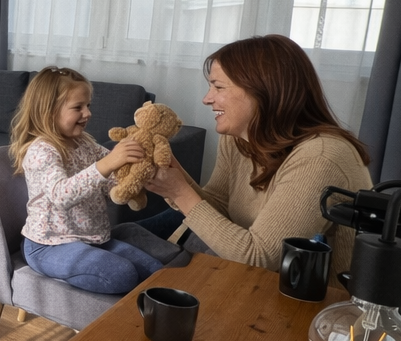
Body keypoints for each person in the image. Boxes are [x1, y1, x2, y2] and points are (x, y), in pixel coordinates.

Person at [144, 34, 373, 272]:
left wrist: (180, 192)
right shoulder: (239, 140)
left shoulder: (321, 157)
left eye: (218, 87)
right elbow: (220, 209)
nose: (206, 99)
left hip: (318, 301)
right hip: (257, 284)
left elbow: (262, 258)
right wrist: (176, 175)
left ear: (263, 91)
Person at [10, 67, 174, 294]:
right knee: (122, 274)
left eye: (88, 106)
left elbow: (109, 184)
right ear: (48, 113)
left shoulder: (85, 143)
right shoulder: (42, 150)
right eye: (78, 107)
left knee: (155, 272)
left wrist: (132, 179)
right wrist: (108, 164)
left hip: (94, 238)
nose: (87, 113)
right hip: (49, 245)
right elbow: (61, 196)